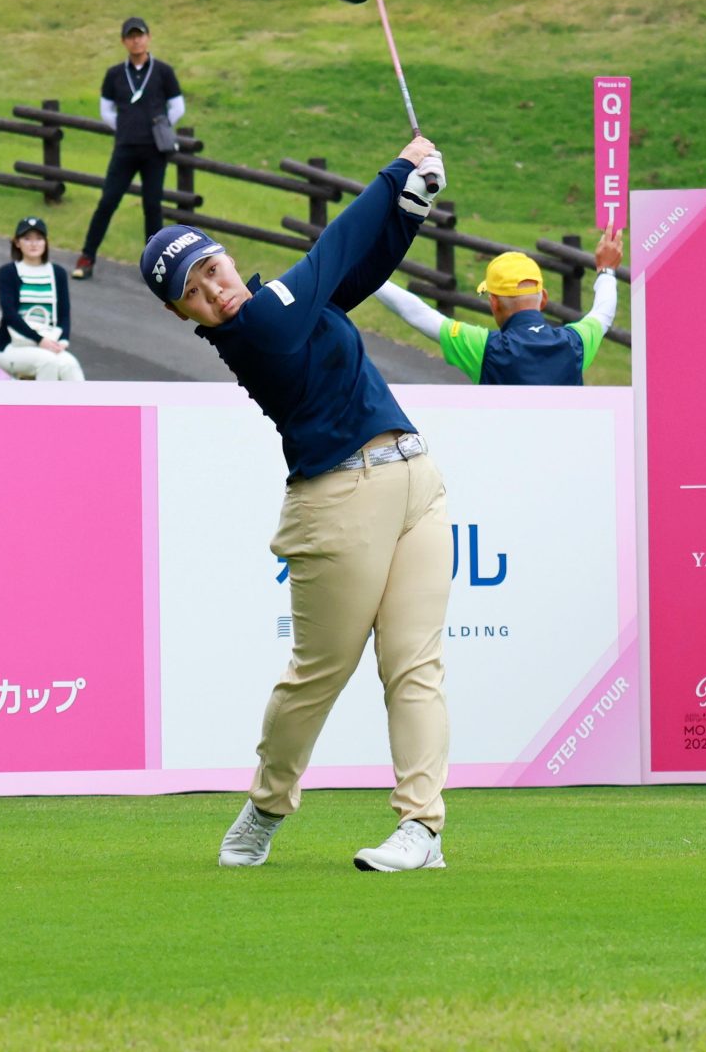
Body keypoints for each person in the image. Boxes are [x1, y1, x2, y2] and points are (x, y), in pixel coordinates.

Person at [141, 133, 454, 872]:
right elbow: (336, 250)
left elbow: (361, 269)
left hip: (417, 481)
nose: (215, 290)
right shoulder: (256, 331)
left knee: (415, 665)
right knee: (318, 673)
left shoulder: (292, 304)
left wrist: (411, 210)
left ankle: (422, 828)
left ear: (225, 256)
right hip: (337, 501)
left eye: (211, 269)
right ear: (186, 313)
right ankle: (266, 806)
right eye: (194, 291)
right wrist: (398, 171)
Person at [371, 235, 621, 386]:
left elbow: (416, 313)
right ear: (543, 298)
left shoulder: (485, 348)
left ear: (494, 303)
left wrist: (367, 274)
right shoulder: (576, 343)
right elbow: (603, 312)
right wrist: (606, 269)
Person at [75, 15, 183, 279]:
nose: (136, 41)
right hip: (124, 148)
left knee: (152, 207)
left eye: (140, 35)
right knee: (107, 201)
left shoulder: (163, 71)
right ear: (124, 41)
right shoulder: (114, 74)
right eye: (131, 36)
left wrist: (161, 126)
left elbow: (177, 106)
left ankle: (155, 268)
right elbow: (106, 110)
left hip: (154, 150)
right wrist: (125, 126)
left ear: (148, 38)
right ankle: (87, 256)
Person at [0, 217, 87, 381]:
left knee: (70, 365)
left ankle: (83, 400)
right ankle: (43, 399)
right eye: (27, 239)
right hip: (12, 346)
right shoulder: (8, 272)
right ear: (17, 243)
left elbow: (64, 314)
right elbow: (9, 314)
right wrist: (39, 340)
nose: (34, 244)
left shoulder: (57, 273)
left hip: (48, 342)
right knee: (47, 361)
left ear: (46, 242)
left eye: (39, 238)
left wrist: (63, 341)